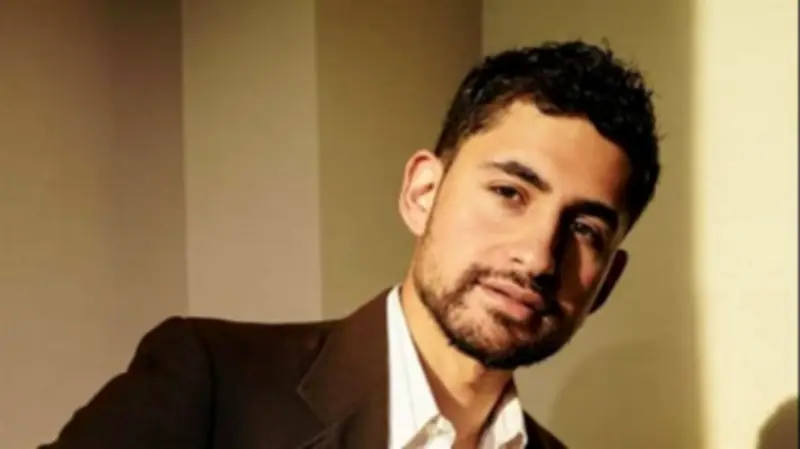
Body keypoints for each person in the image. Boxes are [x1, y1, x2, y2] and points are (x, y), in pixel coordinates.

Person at [39, 40, 660, 449]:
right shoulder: (210, 381)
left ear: (606, 281)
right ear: (422, 192)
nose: (537, 257)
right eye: (509, 192)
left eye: (584, 230)